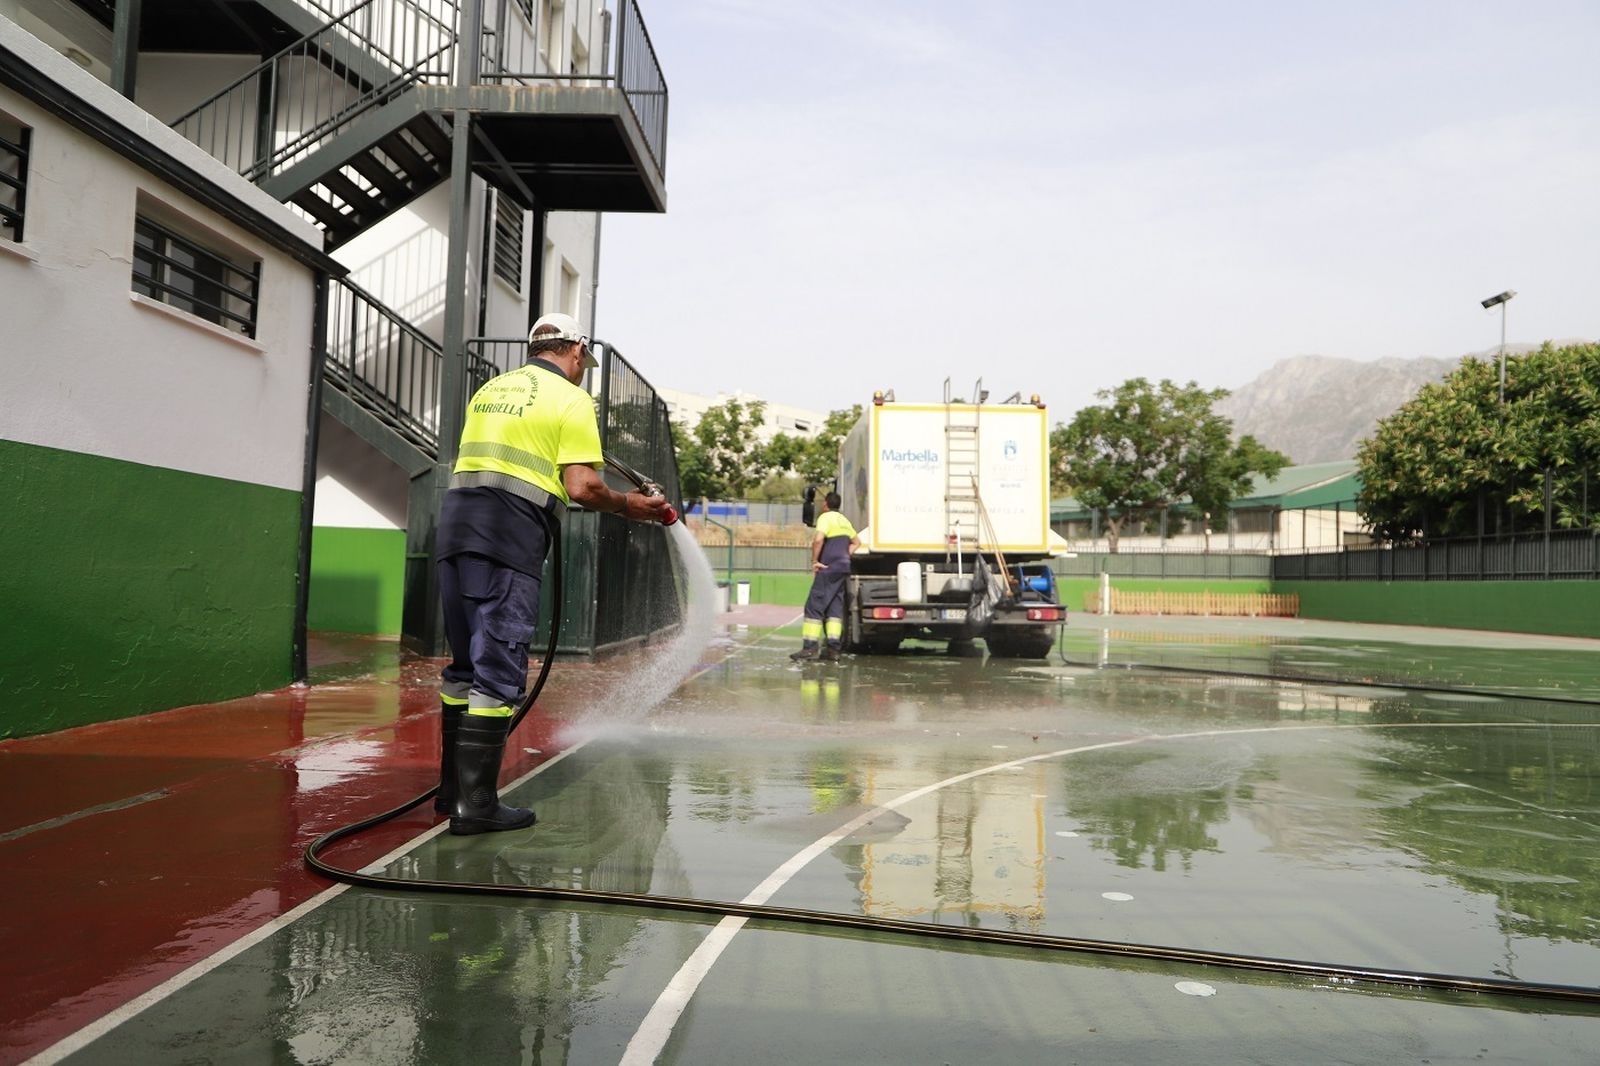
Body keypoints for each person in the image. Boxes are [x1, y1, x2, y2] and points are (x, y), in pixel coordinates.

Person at [435, 312, 670, 835]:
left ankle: (451, 790)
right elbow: (584, 486)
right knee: (498, 665)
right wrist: (630, 505)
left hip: (456, 528)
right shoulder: (571, 398)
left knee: (463, 666)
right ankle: (475, 805)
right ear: (577, 351)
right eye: (584, 359)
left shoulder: (491, 389)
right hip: (508, 535)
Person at [791, 490, 860, 663]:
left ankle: (809, 647)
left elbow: (818, 540)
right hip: (843, 568)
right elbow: (857, 542)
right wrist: (845, 555)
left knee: (814, 606)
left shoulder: (825, 517)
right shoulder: (844, 520)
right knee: (834, 609)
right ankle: (833, 649)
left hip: (828, 568)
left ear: (826, 505)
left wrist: (815, 560)